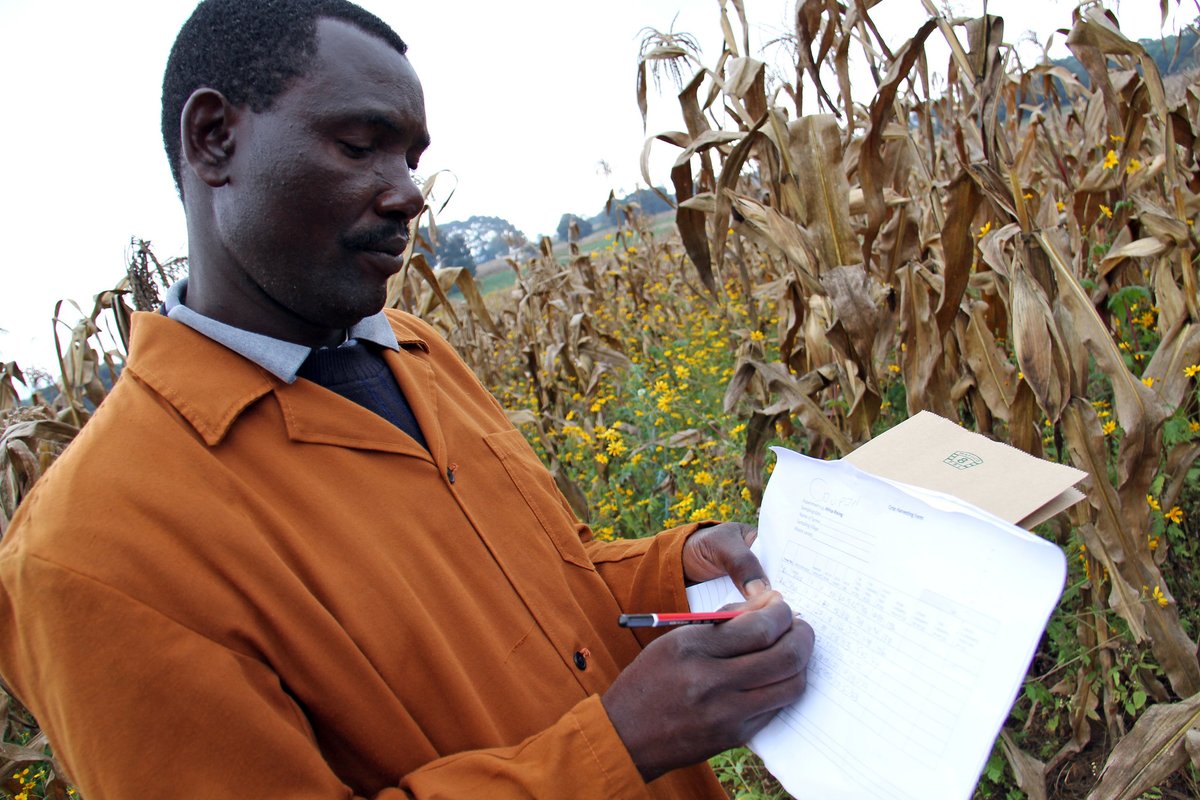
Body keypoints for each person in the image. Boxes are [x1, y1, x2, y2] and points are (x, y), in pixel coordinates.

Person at [0, 0, 814, 796]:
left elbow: (549, 593)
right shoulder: (88, 551)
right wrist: (619, 745)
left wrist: (676, 573)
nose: (408, 194)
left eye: (412, 160)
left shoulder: (419, 354)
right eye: (361, 146)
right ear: (214, 139)